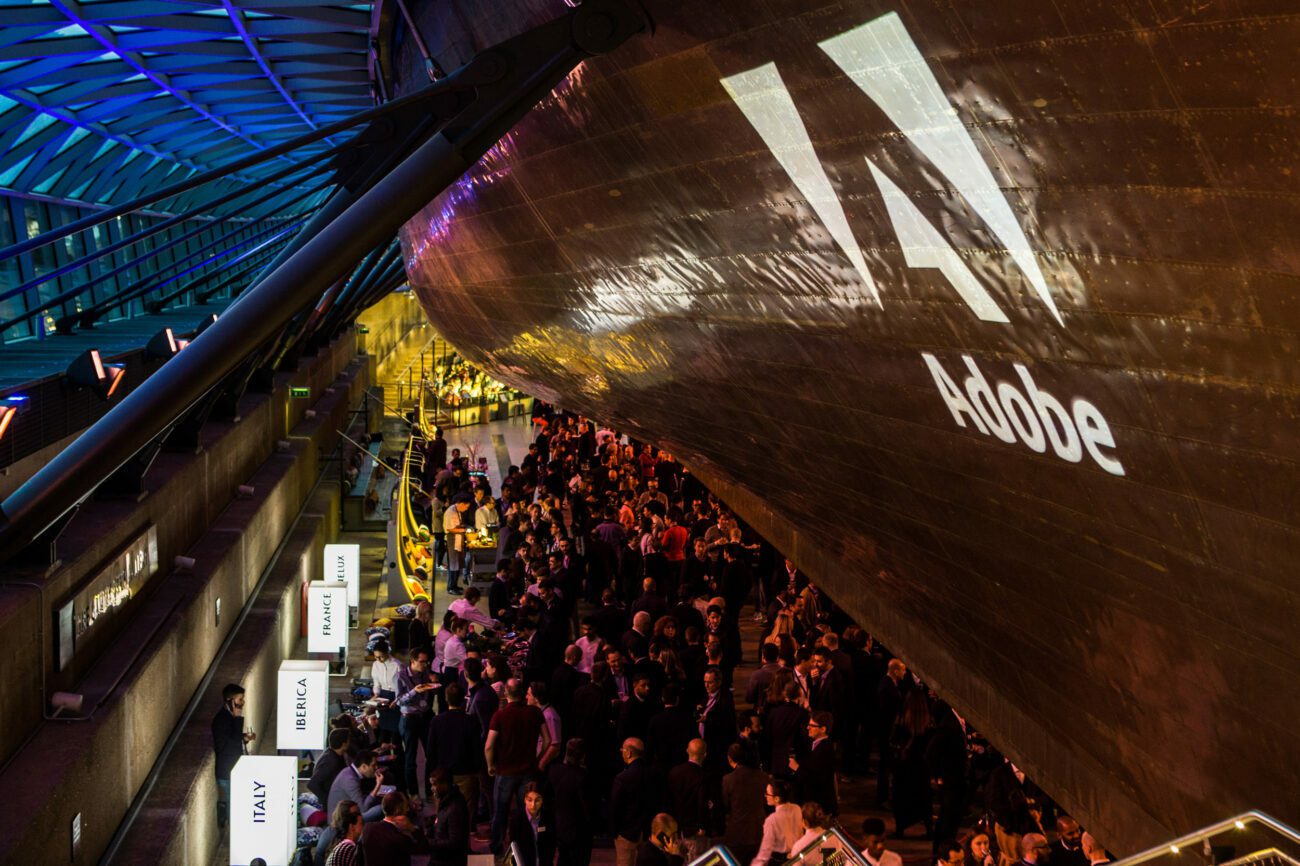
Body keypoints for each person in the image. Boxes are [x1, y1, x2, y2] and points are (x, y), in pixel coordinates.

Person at [486, 678, 550, 855]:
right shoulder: (535, 713)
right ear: (522, 693)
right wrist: (537, 759)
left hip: (505, 770)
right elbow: (548, 740)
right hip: (528, 771)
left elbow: (489, 745)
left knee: (500, 811)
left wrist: (491, 765)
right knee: (527, 812)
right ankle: (525, 845)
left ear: (506, 693)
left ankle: (497, 847)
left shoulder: (499, 715)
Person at [610, 738, 665, 866]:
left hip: (626, 833)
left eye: (623, 749)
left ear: (628, 753)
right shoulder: (655, 775)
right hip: (647, 831)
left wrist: (614, 831)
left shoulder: (622, 778)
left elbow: (615, 807)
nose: (621, 752)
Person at [396, 647, 439, 797]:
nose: (425, 665)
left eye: (426, 662)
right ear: (412, 661)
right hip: (409, 718)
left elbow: (432, 691)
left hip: (425, 716)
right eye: (421, 662)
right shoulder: (401, 676)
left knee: (431, 754)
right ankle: (414, 794)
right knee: (410, 758)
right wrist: (415, 691)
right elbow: (399, 700)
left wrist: (434, 686)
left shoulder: (425, 673)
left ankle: (430, 789)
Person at [212, 683, 255, 827]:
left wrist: (245, 738)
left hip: (233, 768)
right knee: (234, 805)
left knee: (237, 802)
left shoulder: (228, 717)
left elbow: (233, 739)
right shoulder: (222, 719)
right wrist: (237, 719)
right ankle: (235, 832)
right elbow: (225, 746)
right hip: (227, 771)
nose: (242, 703)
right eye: (240, 699)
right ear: (230, 700)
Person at [721, 743, 767, 866]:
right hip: (759, 832)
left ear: (730, 758)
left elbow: (725, 805)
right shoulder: (763, 777)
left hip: (737, 834)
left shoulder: (728, 779)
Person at [549, 739, 593, 866]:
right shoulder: (582, 777)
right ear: (583, 756)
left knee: (563, 859)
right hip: (579, 831)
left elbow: (548, 798)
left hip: (560, 826)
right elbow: (587, 807)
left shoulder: (554, 771)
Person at [361, 791, 430, 865]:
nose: (408, 810)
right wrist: (412, 828)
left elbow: (359, 857)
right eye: (406, 806)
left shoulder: (367, 828)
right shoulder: (401, 839)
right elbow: (425, 848)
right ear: (398, 811)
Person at [789, 711, 837, 816]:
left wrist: (797, 768)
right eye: (808, 724)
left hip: (818, 806)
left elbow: (817, 779)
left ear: (823, 729)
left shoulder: (825, 749)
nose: (808, 728)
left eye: (812, 725)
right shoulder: (816, 745)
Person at [668, 739, 709, 858]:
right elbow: (702, 803)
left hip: (676, 829)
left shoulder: (674, 772)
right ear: (705, 754)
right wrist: (702, 826)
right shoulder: (703, 776)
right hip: (694, 831)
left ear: (687, 751)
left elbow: (670, 800)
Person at [753, 780, 802, 866]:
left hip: (782, 861)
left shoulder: (772, 820)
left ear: (777, 798)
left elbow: (765, 852)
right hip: (799, 857)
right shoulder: (797, 808)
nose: (765, 796)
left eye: (767, 794)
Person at [328, 749, 386, 822]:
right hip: (340, 821)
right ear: (364, 766)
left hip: (346, 811)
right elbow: (363, 809)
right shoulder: (350, 780)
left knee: (378, 800)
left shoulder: (349, 771)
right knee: (381, 809)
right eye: (373, 765)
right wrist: (378, 785)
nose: (376, 768)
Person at [427, 769, 470, 866]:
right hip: (441, 857)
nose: (431, 788)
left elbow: (454, 842)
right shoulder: (445, 800)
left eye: (434, 784)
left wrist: (429, 843)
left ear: (445, 784)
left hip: (448, 861)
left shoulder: (455, 809)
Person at [509, 783, 556, 866]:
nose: (533, 805)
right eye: (529, 800)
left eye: (537, 800)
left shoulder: (548, 818)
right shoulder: (516, 819)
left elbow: (551, 844)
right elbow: (514, 847)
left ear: (542, 801)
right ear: (524, 800)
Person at [309, 728, 354, 804]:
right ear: (343, 743)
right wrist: (328, 800)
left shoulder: (334, 754)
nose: (350, 742)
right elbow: (312, 784)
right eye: (349, 740)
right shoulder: (331, 760)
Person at [314, 800, 361, 866]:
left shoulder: (338, 828)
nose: (359, 816)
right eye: (355, 814)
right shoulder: (337, 835)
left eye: (359, 813)